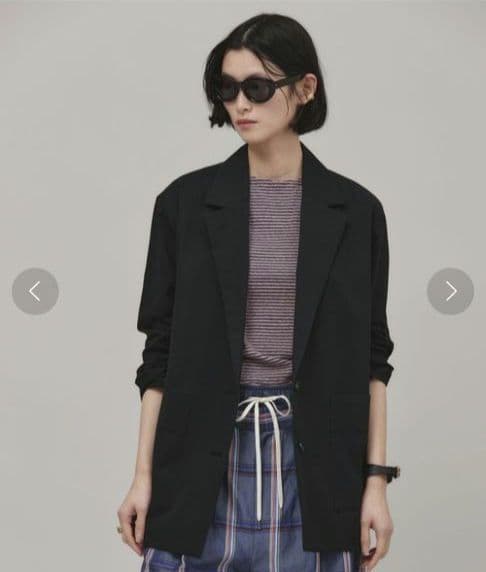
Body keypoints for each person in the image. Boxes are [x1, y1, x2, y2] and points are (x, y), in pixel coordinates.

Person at [117, 12, 397, 572]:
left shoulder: (355, 212)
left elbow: (372, 359)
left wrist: (375, 484)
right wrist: (142, 477)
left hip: (315, 464)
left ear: (305, 89)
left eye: (258, 88)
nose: (240, 104)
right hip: (199, 458)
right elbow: (159, 354)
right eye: (228, 89)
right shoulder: (184, 206)